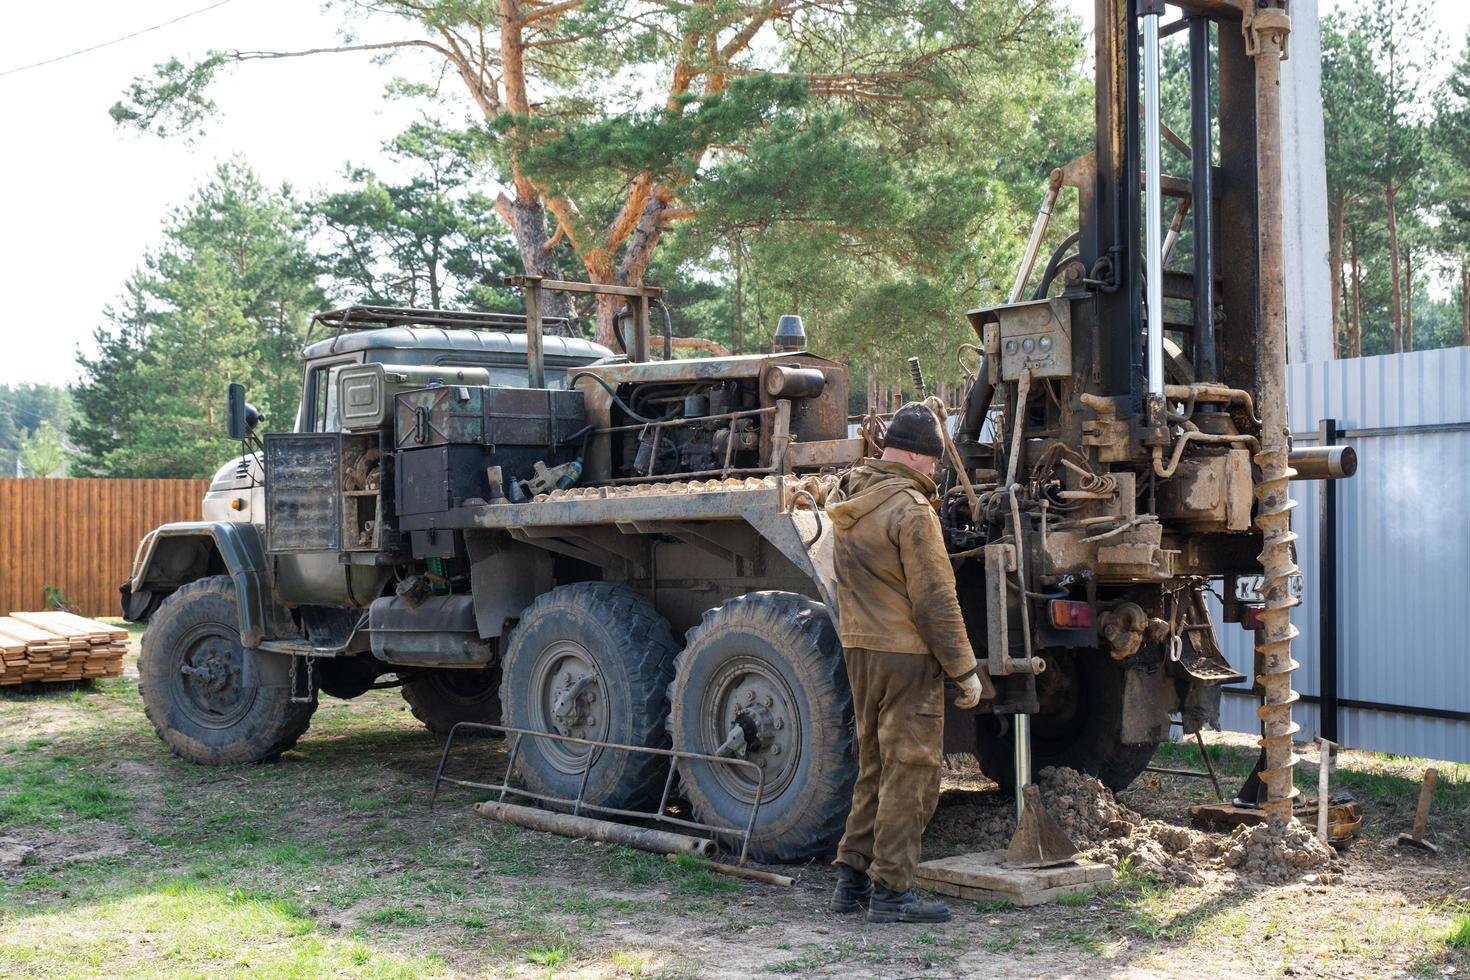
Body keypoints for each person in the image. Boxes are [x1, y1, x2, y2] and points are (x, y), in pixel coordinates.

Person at [824, 401, 992, 924]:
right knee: (912, 772)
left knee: (873, 765)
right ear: (920, 458)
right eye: (936, 464)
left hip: (860, 647)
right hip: (906, 656)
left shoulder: (852, 497)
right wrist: (965, 671)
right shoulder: (911, 511)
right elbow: (935, 600)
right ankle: (892, 893)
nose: (937, 473)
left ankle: (850, 881)